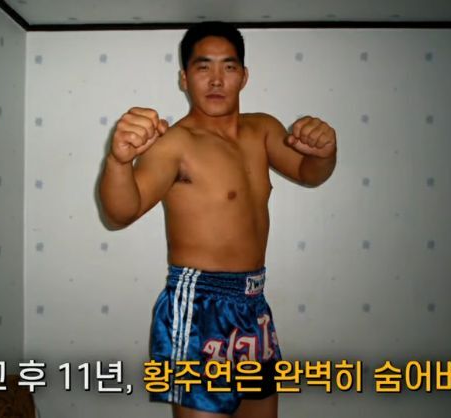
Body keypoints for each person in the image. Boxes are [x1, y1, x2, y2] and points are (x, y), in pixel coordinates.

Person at [98, 21, 336, 418]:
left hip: (253, 306)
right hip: (199, 307)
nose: (216, 79)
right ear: (184, 78)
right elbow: (120, 213)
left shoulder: (262, 130)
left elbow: (309, 172)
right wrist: (118, 162)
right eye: (203, 66)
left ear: (244, 76)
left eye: (228, 66)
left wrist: (325, 153)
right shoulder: (176, 143)